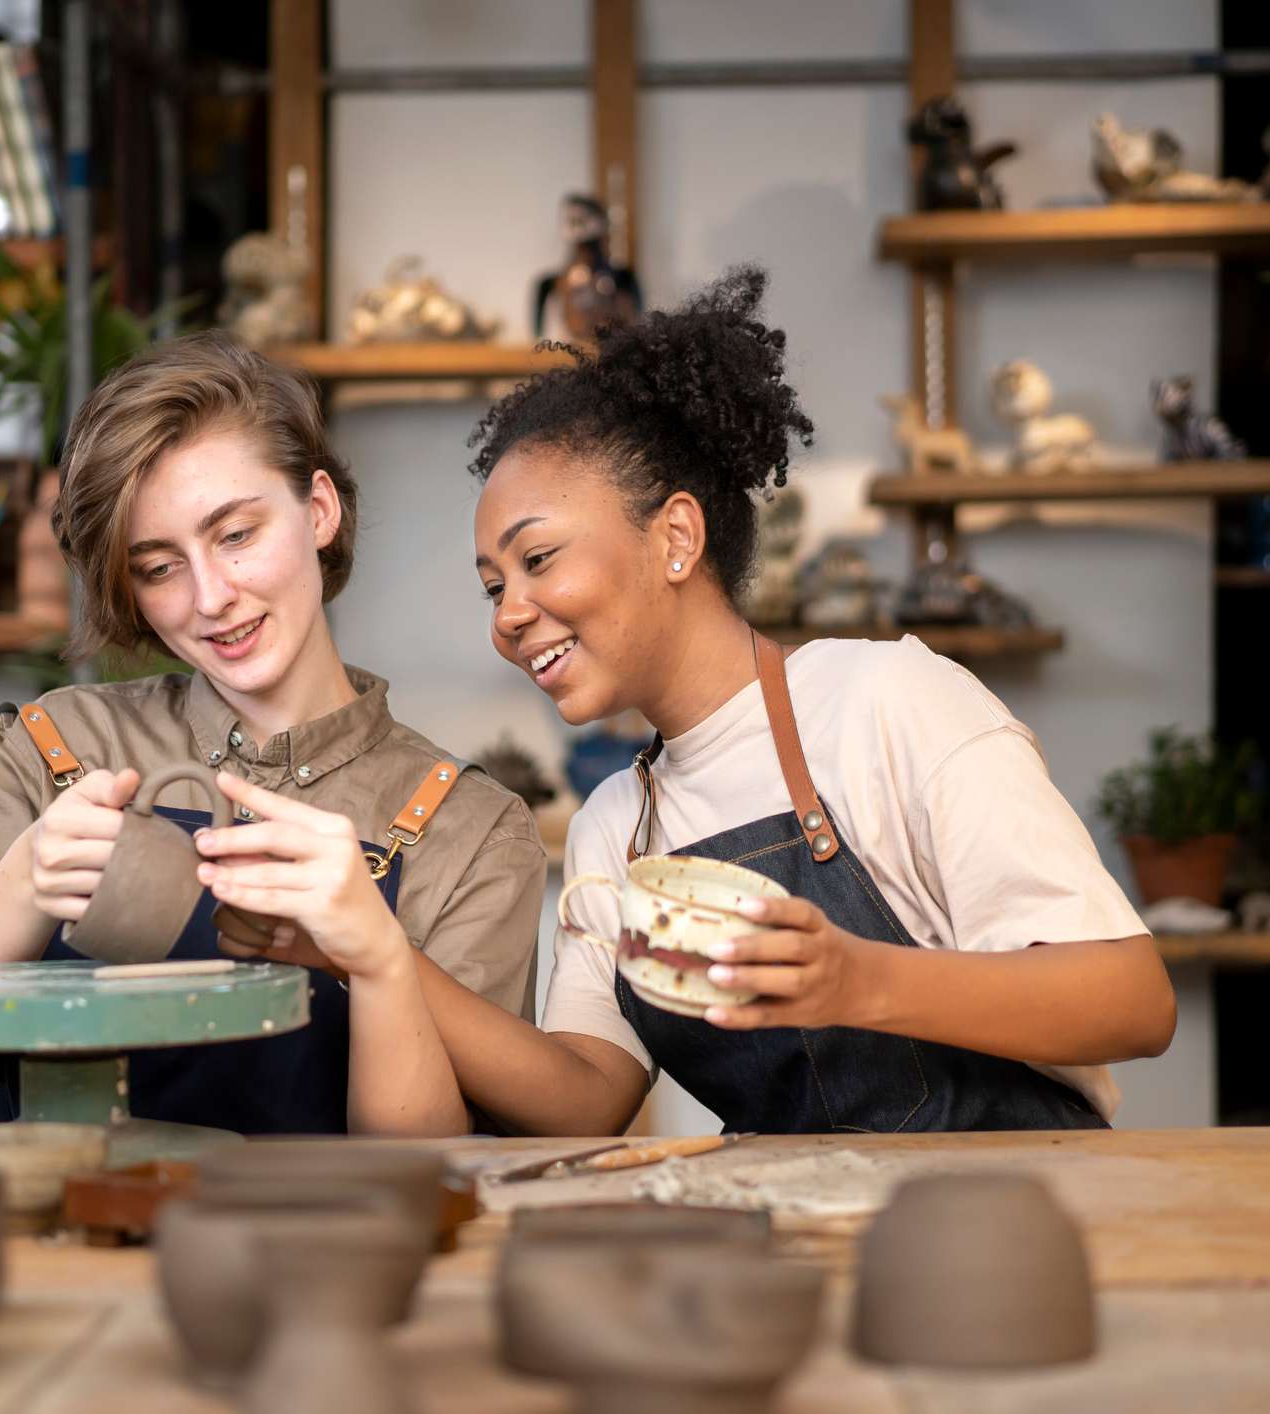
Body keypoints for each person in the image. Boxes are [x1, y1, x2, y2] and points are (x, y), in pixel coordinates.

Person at [199, 268, 1175, 1135]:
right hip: (808, 1248)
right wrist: (365, 950)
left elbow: (1131, 999)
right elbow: (586, 1095)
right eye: (494, 584)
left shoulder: (888, 702)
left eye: (538, 559)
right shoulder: (617, 829)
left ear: (675, 538)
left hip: (1016, 1223)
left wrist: (859, 980)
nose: (509, 614)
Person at [0, 332, 546, 1136]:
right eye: (159, 567)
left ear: (320, 511)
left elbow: (426, 1164)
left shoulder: (468, 828)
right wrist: (27, 880)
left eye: (236, 536)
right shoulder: (48, 746)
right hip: (64, 1249)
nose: (211, 597)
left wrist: (374, 957)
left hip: (319, 1255)